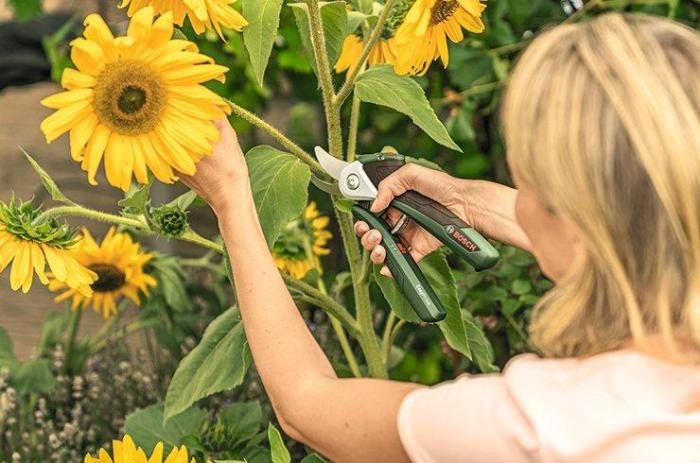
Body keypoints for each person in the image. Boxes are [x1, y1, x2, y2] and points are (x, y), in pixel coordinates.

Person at [180, 13, 700, 463]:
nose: (515, 194)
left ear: (572, 218)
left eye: (524, 184)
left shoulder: (536, 427)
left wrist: (231, 200)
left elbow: (305, 405)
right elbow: (626, 235)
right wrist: (467, 202)